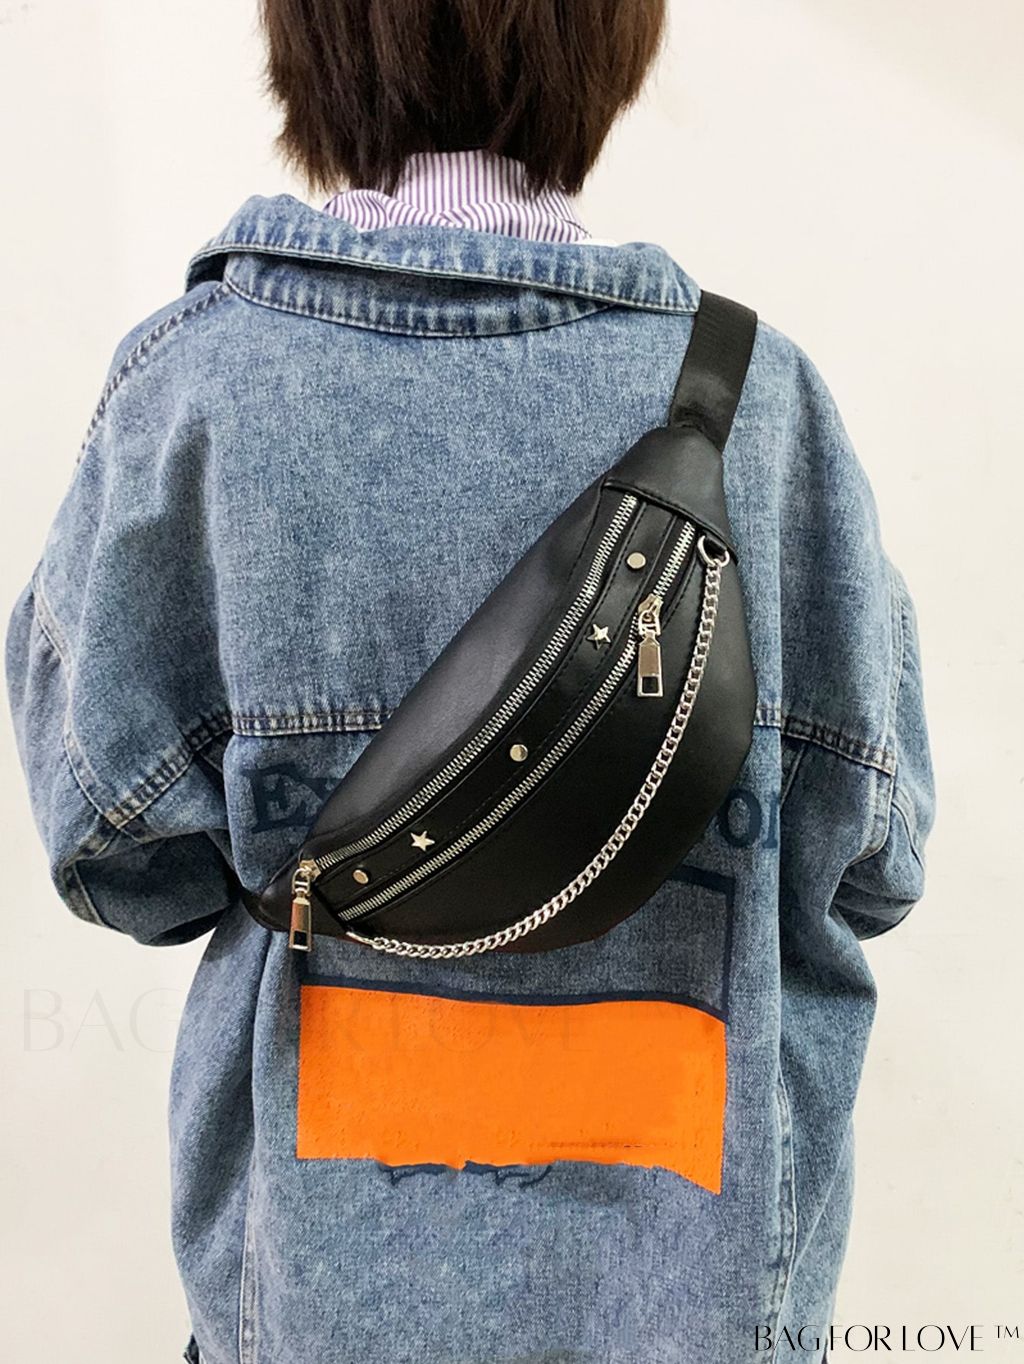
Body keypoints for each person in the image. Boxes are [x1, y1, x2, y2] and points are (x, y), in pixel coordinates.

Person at [5, 2, 934, 1361]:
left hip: (315, 1308)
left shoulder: (194, 395)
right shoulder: (765, 413)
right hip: (693, 1308)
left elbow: (117, 861)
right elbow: (877, 866)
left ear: (311, 45)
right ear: (611, 48)